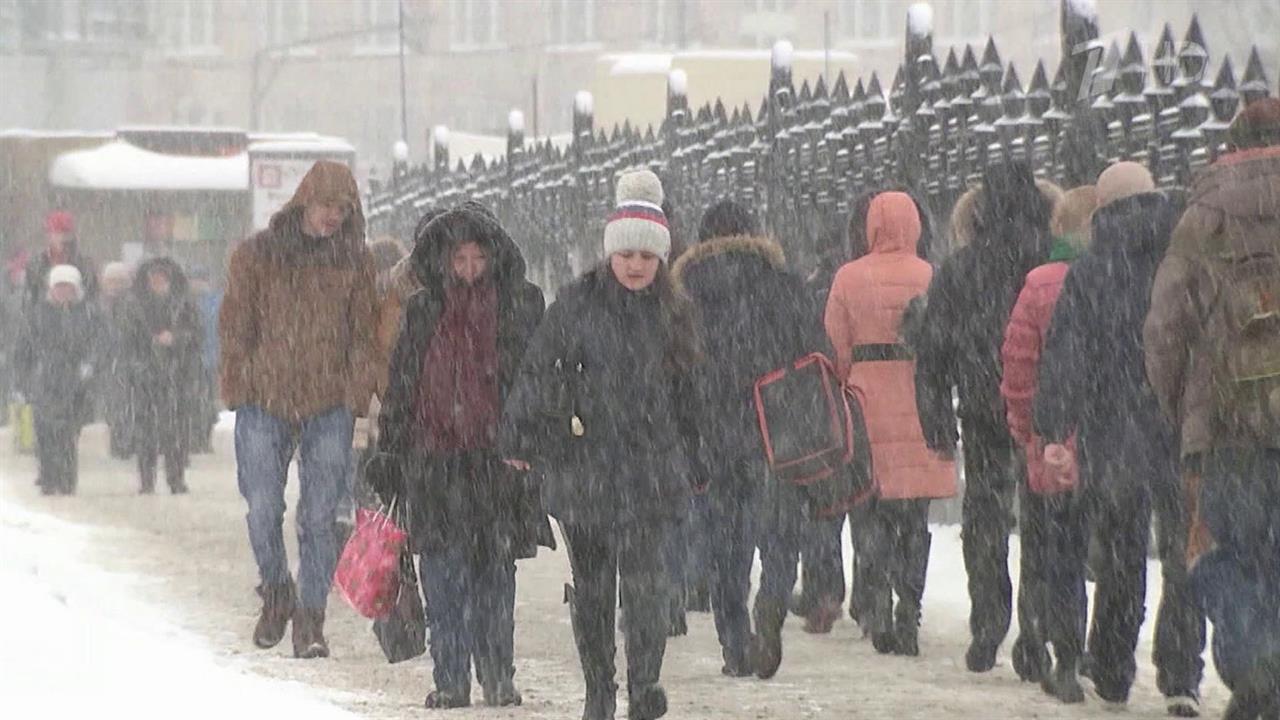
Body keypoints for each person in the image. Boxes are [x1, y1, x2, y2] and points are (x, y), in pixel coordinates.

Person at [502, 169, 702, 720]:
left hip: (650, 470)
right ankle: (599, 689)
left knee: (646, 586)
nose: (636, 265)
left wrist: (698, 456)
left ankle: (644, 685)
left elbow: (692, 393)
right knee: (593, 587)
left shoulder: (675, 313)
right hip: (584, 465)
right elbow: (538, 369)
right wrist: (520, 432)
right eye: (627, 254)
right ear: (610, 252)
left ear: (661, 258)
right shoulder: (577, 304)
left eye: (647, 255)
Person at [366, 207, 551, 710]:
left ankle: (496, 672)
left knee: (495, 574)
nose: (469, 269)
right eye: (459, 259)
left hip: (497, 463)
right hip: (435, 463)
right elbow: (403, 384)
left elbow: (536, 381)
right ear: (443, 261)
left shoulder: (519, 306)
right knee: (443, 578)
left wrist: (532, 440)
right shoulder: (423, 310)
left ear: (494, 258)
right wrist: (390, 451)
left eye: (478, 258)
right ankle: (450, 677)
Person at [1036, 162, 1201, 713]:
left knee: (1120, 554)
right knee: (1182, 553)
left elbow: (1067, 354)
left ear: (1102, 211)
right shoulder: (1182, 259)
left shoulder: (1090, 271)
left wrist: (1054, 423)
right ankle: (1181, 673)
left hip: (1112, 429)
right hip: (1178, 424)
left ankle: (1111, 667)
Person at [1144, 98, 1280, 720]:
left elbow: (1166, 327)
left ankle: (1256, 662)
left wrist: (1180, 407)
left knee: (1231, 552)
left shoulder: (1203, 214)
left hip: (1228, 426)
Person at [219, 160, 380, 659]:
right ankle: (276, 589)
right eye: (327, 205)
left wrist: (355, 394)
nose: (334, 216)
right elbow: (235, 323)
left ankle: (310, 617)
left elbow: (364, 334)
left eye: (343, 209)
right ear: (305, 201)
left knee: (320, 515)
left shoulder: (355, 262)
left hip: (328, 403)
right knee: (262, 506)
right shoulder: (257, 255)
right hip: (264, 398)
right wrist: (240, 384)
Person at [914, 161, 1063, 674]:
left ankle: (988, 622)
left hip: (982, 407)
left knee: (985, 516)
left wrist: (936, 417)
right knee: (1043, 517)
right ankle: (1035, 631)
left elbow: (933, 352)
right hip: (1044, 409)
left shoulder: (961, 268)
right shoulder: (1051, 259)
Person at [672, 198, 824, 677]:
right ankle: (773, 599)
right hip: (775, 428)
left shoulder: (687, 293)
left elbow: (678, 370)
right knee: (779, 530)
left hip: (714, 430)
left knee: (726, 545)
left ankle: (735, 644)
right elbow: (814, 352)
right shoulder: (784, 285)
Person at [825, 191, 956, 657]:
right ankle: (909, 607)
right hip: (920, 401)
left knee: (871, 511)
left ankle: (876, 602)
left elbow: (835, 345)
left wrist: (848, 378)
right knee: (914, 518)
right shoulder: (931, 276)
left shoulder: (848, 277)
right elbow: (944, 342)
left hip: (866, 403)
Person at [999, 185, 1097, 703]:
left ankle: (1047, 641)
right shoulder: (1121, 275)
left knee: (1048, 547)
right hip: (1106, 437)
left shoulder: (1040, 283)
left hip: (1052, 437)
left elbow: (1019, 365)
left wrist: (1025, 428)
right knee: (1104, 550)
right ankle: (1102, 650)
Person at [121, 257, 202, 495]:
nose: (157, 282)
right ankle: (147, 480)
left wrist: (175, 338)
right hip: (145, 376)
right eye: (154, 278)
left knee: (175, 430)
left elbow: (197, 335)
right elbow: (126, 341)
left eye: (162, 278)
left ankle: (176, 478)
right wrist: (147, 348)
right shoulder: (135, 307)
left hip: (177, 375)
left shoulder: (184, 305)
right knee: (145, 431)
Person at [14, 265, 98, 495]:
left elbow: (99, 343)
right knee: (45, 433)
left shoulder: (88, 314)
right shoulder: (36, 315)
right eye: (59, 287)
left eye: (68, 287)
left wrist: (89, 364)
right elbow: (23, 350)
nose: (63, 292)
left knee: (67, 434)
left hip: (74, 383)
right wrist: (22, 382)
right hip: (44, 381)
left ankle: (67, 480)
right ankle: (49, 479)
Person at [24, 211, 98, 310]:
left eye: (66, 233)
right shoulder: (36, 265)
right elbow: (30, 298)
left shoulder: (85, 265)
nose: (63, 238)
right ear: (49, 235)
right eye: (58, 233)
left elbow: (92, 297)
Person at [99, 262, 135, 459]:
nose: (115, 285)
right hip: (106, 362)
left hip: (129, 361)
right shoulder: (98, 306)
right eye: (111, 281)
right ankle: (117, 441)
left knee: (128, 403)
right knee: (113, 405)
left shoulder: (134, 305)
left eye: (120, 281)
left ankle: (126, 443)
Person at [187, 266, 223, 455]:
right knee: (191, 400)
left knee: (206, 401)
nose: (197, 284)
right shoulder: (184, 301)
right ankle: (192, 437)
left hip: (209, 359)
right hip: (189, 361)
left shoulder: (217, 301)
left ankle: (203, 437)